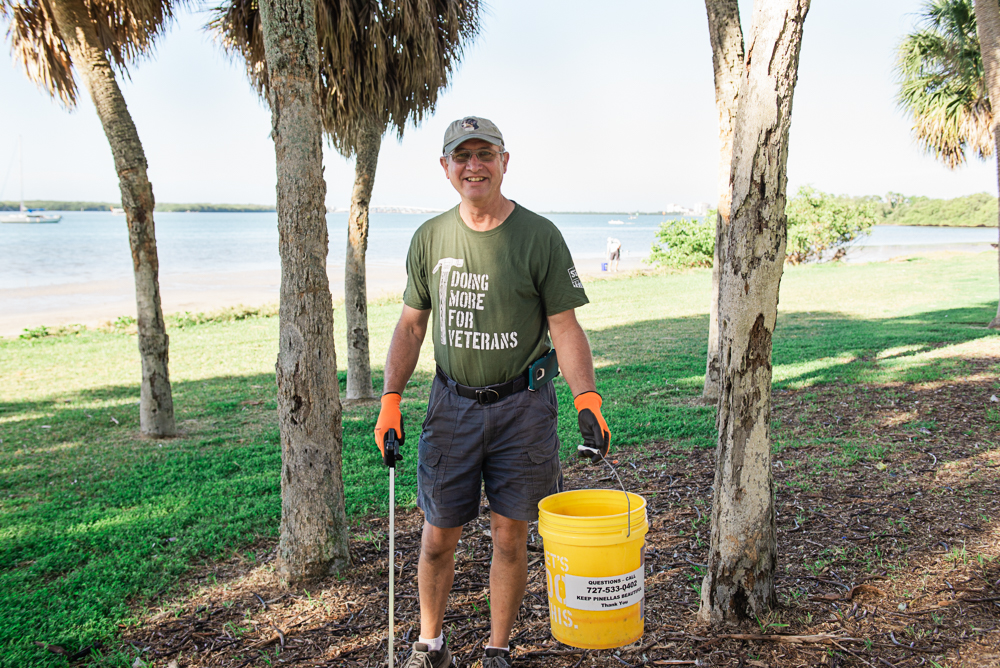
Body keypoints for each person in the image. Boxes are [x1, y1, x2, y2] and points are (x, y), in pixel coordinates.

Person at [373, 116, 611, 668]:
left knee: (511, 535)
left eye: (485, 154)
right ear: (446, 167)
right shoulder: (429, 237)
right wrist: (390, 400)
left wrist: (587, 399)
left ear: (505, 161)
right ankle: (430, 644)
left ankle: (497, 649)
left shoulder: (539, 236)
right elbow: (411, 327)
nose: (473, 165)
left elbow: (565, 326)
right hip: (451, 406)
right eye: (462, 156)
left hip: (523, 409)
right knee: (437, 536)